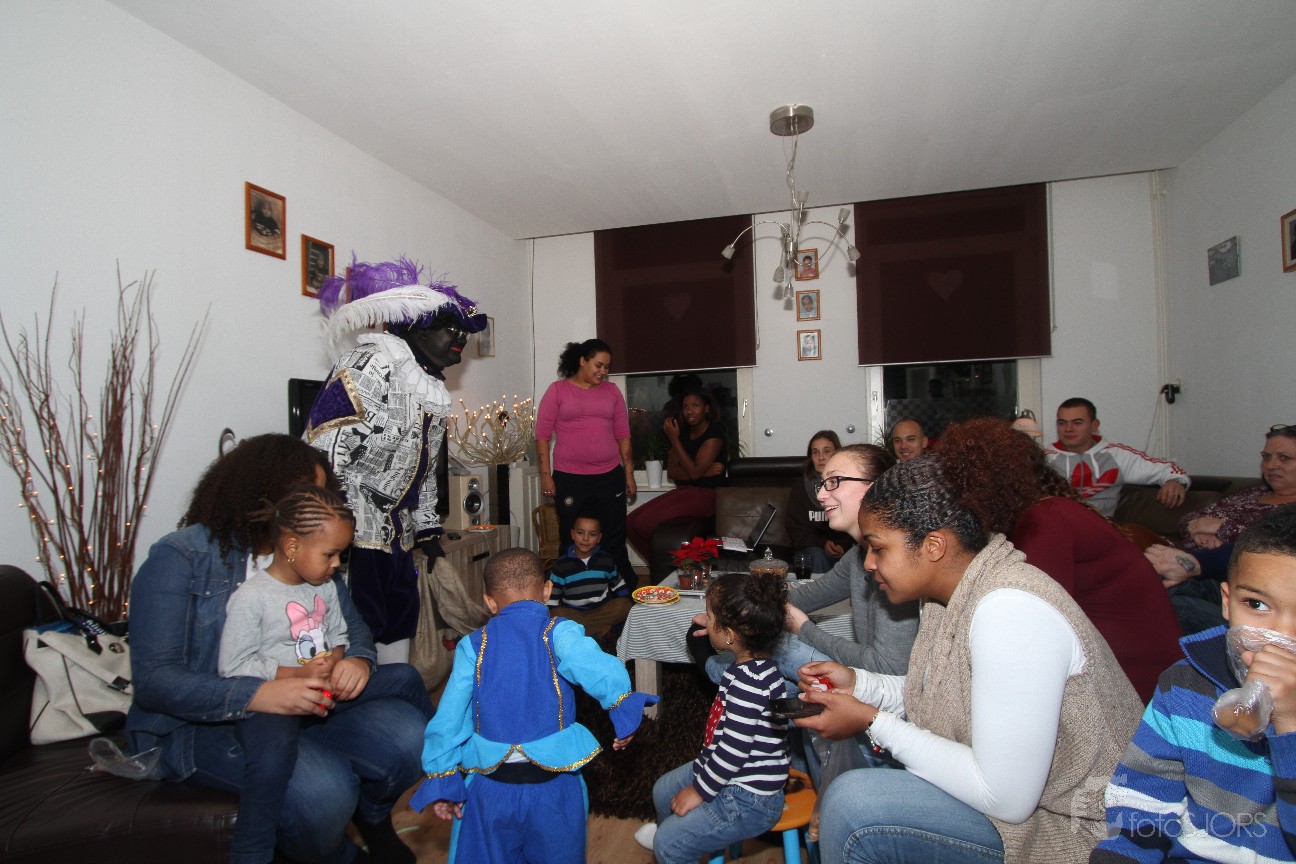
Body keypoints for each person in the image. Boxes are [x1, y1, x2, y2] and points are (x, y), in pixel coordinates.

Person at [795, 455, 1145, 864]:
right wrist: (861, 685)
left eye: (878, 548)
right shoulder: (948, 595)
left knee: (855, 804)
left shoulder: (1010, 610)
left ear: (934, 545)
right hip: (1029, 809)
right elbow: (938, 692)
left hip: (1083, 830)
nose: (869, 563)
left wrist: (873, 721)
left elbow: (1006, 798)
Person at [128, 434, 432, 864]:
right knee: (324, 794)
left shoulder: (311, 554)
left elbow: (353, 629)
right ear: (264, 495)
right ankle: (337, 854)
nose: (315, 505)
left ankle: (373, 816)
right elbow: (155, 683)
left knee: (410, 737)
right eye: (306, 495)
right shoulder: (181, 557)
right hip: (205, 723)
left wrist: (356, 660)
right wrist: (258, 693)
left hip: (311, 702)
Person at [410, 548, 656, 864]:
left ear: (489, 602)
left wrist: (443, 776)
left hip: (490, 788)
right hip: (555, 786)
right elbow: (596, 666)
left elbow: (449, 717)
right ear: (547, 590)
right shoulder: (559, 632)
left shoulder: (472, 646)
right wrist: (622, 707)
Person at [307, 257, 487, 664]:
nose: (460, 338)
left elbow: (425, 469)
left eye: (464, 331)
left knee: (400, 622)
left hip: (398, 532)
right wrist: (332, 528)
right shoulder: (369, 363)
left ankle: (393, 691)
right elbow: (324, 448)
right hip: (354, 530)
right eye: (451, 328)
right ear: (417, 327)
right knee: (358, 630)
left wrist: (427, 529)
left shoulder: (432, 388)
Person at [1093, 508, 1296, 864]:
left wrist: (1290, 725)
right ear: (1227, 603)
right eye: (1256, 604)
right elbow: (1143, 800)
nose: (1279, 636)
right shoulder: (1184, 684)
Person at [937, 417, 1182, 701]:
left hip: (1142, 687)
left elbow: (1032, 620)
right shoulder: (1046, 511)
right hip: (1120, 667)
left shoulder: (1046, 521)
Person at [217, 485, 367, 864]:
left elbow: (340, 635)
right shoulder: (251, 598)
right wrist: (295, 674)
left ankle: (449, 767)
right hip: (272, 704)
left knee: (405, 680)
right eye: (330, 555)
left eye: (341, 554)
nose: (337, 564)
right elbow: (233, 666)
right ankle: (252, 851)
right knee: (271, 760)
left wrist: (338, 662)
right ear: (292, 547)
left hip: (322, 691)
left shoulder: (326, 587)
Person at [636, 571, 790, 863]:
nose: (705, 622)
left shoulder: (748, 684)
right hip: (727, 770)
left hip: (749, 797)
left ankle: (673, 844)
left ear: (729, 634)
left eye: (709, 617)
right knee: (663, 789)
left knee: (669, 845)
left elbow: (733, 751)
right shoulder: (756, 667)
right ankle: (674, 833)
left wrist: (698, 791)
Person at [535, 338, 637, 586]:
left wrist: (629, 474)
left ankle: (622, 588)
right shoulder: (557, 390)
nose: (603, 371)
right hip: (570, 477)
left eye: (607, 367)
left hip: (609, 476)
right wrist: (546, 475)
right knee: (571, 536)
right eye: (598, 365)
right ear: (582, 360)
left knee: (613, 536)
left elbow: (623, 435)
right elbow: (542, 437)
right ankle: (569, 588)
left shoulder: (612, 392)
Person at [626, 387, 728, 560]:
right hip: (685, 491)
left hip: (706, 495)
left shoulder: (714, 434)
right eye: (685, 406)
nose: (689, 411)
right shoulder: (683, 433)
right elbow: (673, 472)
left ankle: (674, 565)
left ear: (707, 408)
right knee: (629, 523)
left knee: (644, 523)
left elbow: (694, 473)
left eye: (695, 405)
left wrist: (674, 438)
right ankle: (665, 567)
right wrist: (703, 472)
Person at [1045, 397, 1190, 518]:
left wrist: (1174, 481)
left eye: (1077, 423)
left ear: (1094, 425)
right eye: (1062, 423)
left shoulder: (1117, 455)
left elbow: (1168, 470)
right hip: (1057, 524)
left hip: (1101, 526)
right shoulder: (1043, 458)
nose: (1068, 429)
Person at [1177, 423, 1296, 551]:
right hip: (1187, 557)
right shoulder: (1253, 494)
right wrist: (1203, 535)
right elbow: (1186, 520)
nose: (1270, 465)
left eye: (1284, 458)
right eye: (1266, 457)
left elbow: (1279, 543)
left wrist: (1223, 529)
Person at [548, 511, 631, 643]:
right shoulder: (561, 565)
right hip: (575, 613)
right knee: (556, 614)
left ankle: (586, 631)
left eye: (592, 534)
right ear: (573, 534)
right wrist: (552, 613)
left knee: (625, 605)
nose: (586, 538)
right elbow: (553, 596)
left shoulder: (606, 560)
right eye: (580, 533)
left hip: (602, 611)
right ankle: (600, 630)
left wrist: (626, 600)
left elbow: (619, 585)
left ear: (599, 538)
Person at [784, 430, 856, 575]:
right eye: (815, 452)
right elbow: (795, 529)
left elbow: (854, 522)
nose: (821, 457)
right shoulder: (801, 486)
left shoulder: (848, 484)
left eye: (827, 451)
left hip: (843, 548)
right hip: (811, 549)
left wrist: (842, 546)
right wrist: (823, 544)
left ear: (837, 453)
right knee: (818, 556)